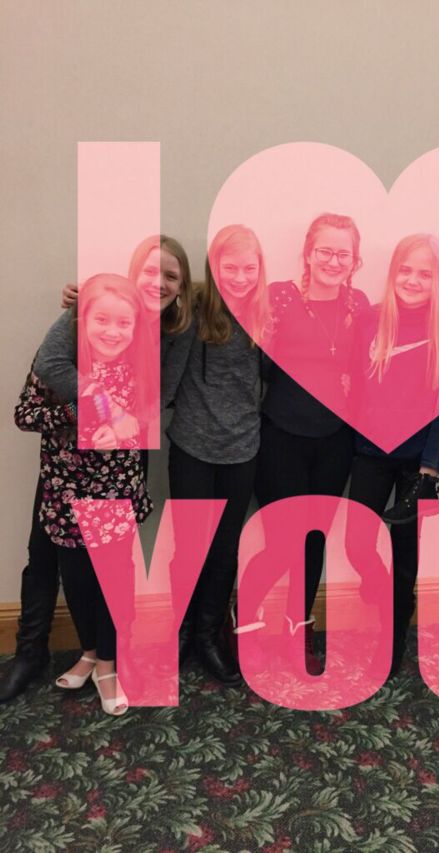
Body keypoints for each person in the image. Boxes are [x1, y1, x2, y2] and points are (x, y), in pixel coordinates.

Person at [0, 235, 192, 703]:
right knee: (50, 558)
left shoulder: (172, 330)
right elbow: (45, 376)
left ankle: (109, 656)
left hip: (116, 470)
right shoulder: (90, 310)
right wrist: (94, 409)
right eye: (150, 271)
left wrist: (125, 422)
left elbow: (157, 398)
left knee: (113, 569)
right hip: (64, 474)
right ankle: (38, 651)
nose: (159, 283)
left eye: (171, 276)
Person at [234, 213, 369, 675]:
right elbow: (226, 315)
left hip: (336, 441)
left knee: (314, 541)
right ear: (308, 254)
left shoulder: (358, 304)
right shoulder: (278, 298)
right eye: (325, 251)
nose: (333, 261)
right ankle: (244, 622)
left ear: (355, 260)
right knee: (281, 543)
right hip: (281, 437)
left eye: (343, 253)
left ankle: (298, 629)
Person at [14, 274, 154, 715]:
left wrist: (123, 429)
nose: (112, 331)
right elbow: (24, 415)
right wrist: (77, 411)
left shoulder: (139, 364)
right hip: (65, 494)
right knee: (75, 580)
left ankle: (109, 664)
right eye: (102, 320)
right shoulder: (59, 367)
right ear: (81, 321)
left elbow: (144, 418)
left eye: (123, 323)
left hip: (114, 492)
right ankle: (90, 653)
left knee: (113, 582)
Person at [344, 233, 439, 675]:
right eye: (406, 270)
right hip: (371, 452)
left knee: (404, 553)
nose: (413, 280)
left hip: (421, 461)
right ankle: (384, 592)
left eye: (425, 274)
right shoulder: (370, 320)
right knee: (357, 543)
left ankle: (393, 636)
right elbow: (354, 387)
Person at [161, 225, 269, 685]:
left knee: (226, 548)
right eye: (230, 268)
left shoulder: (267, 315)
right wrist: (83, 295)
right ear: (212, 267)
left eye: (249, 268)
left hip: (242, 449)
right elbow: (143, 301)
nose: (240, 278)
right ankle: (182, 631)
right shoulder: (193, 308)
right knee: (188, 547)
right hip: (192, 446)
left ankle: (208, 635)